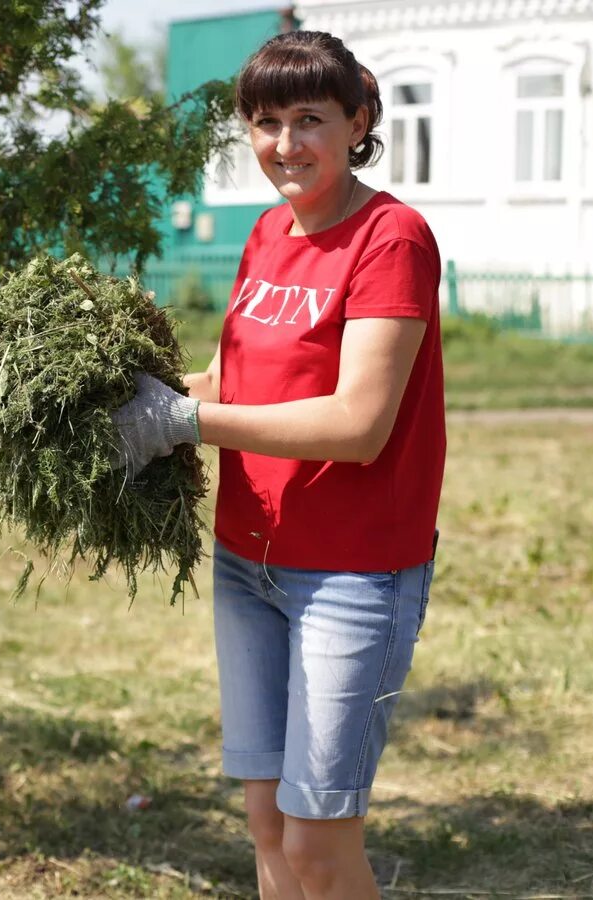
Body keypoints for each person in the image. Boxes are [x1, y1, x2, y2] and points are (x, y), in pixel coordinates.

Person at [111, 30, 445, 900]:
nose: (286, 144)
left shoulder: (391, 238)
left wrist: (181, 422)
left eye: (309, 119)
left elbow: (358, 421)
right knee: (269, 829)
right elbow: (239, 381)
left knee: (319, 845)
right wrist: (127, 391)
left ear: (358, 120)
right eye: (265, 123)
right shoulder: (265, 233)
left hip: (351, 572)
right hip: (246, 562)